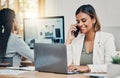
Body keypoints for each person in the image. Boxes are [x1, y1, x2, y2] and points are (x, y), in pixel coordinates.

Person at [66, 4, 116, 73]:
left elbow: (111, 67)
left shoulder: (107, 38)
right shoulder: (76, 40)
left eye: (83, 20)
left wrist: (87, 68)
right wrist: (68, 40)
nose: (80, 24)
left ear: (93, 20)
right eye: (78, 21)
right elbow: (66, 65)